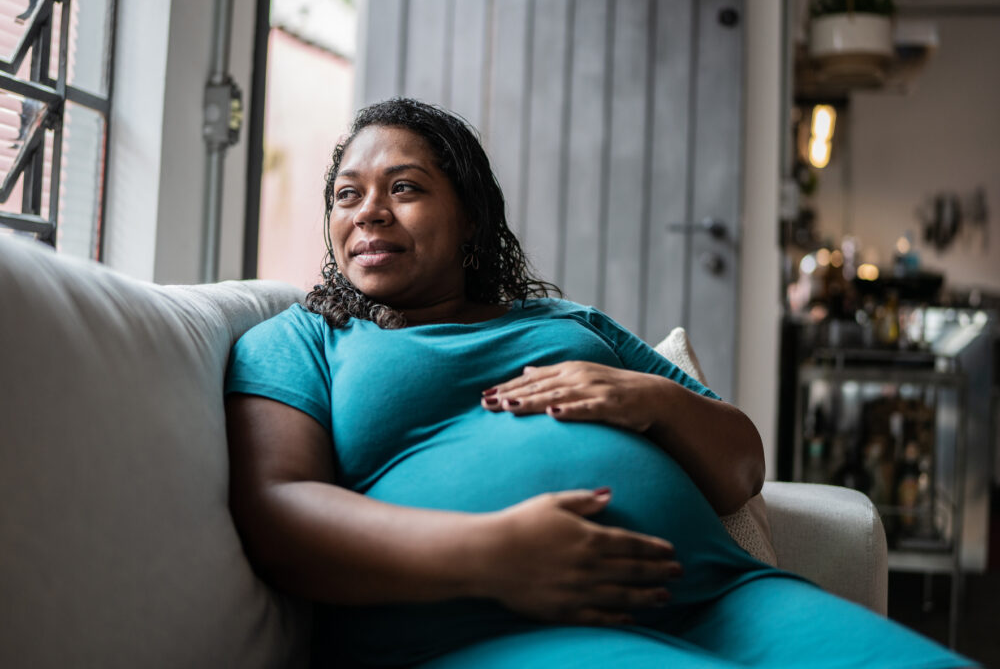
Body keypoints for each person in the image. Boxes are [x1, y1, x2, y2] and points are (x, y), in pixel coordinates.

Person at [225, 98, 973, 668]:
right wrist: (492, 553)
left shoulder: (566, 322)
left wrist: (652, 399)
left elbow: (742, 466)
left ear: (471, 219)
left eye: (405, 188)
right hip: (489, 618)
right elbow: (279, 513)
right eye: (347, 195)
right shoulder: (302, 341)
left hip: (721, 594)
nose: (369, 213)